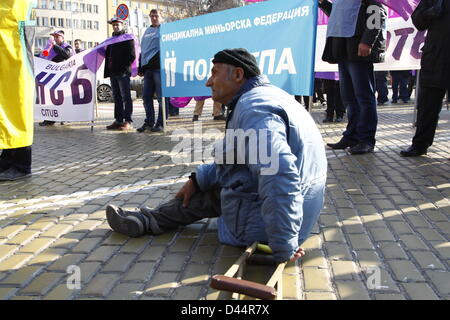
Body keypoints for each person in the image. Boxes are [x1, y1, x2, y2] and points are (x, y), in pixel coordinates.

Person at [105, 48, 328, 263]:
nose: (208, 82)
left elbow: (278, 174)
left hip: (269, 231)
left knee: (215, 193)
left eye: (214, 74)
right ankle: (150, 219)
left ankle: (150, 220)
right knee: (211, 185)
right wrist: (197, 178)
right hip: (299, 214)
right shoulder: (266, 97)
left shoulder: (253, 109)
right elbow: (234, 157)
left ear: (238, 75)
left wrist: (282, 245)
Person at [319, 0, 386, 155]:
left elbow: (377, 12)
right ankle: (352, 136)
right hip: (344, 50)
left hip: (358, 50)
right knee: (349, 97)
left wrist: (367, 41)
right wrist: (323, 3)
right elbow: (340, 15)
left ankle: (366, 139)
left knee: (363, 97)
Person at [400, 0, 449, 157]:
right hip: (435, 57)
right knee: (427, 105)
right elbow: (418, 22)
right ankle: (420, 144)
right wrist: (428, 13)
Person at [0, 0, 35, 181]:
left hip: (14, 29)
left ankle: (22, 163)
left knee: (18, 97)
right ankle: (7, 157)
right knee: (5, 99)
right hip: (6, 30)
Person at [136, 9, 167, 133]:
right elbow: (143, 50)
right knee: (146, 97)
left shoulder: (165, 29)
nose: (154, 18)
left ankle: (161, 123)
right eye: (152, 16)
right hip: (148, 69)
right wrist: (141, 66)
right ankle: (149, 122)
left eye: (157, 16)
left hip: (159, 68)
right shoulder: (147, 31)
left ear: (161, 17)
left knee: (161, 98)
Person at [104, 18, 136, 131]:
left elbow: (132, 55)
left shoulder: (127, 38)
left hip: (123, 72)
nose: (115, 27)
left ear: (122, 25)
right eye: (113, 25)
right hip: (113, 72)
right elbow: (107, 55)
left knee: (126, 97)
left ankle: (128, 121)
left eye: (117, 24)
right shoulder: (110, 40)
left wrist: (123, 68)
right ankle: (118, 120)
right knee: (116, 97)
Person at [39, 30, 73, 127]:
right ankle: (50, 119)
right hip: (52, 77)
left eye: (57, 37)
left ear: (62, 38)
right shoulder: (50, 48)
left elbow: (67, 55)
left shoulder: (67, 46)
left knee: (63, 99)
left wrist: (55, 46)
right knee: (50, 98)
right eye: (54, 37)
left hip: (63, 77)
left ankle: (65, 118)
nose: (55, 38)